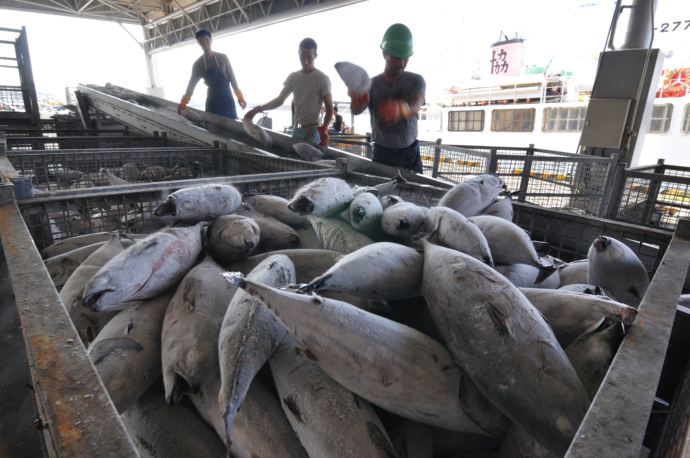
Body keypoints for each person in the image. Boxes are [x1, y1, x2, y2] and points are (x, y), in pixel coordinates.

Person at [350, 23, 426, 173]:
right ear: (384, 54)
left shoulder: (416, 80)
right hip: (382, 154)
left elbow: (416, 103)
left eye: (405, 58)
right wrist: (356, 98)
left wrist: (400, 110)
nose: (402, 63)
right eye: (397, 58)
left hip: (410, 155)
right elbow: (357, 110)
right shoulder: (371, 84)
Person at [244, 38, 333, 146]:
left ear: (315, 56)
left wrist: (324, 129)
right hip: (296, 130)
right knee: (293, 161)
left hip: (313, 132)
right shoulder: (293, 77)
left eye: (309, 58)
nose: (305, 61)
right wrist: (257, 110)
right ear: (298, 54)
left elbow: (329, 108)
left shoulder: (322, 79)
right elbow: (279, 100)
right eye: (302, 57)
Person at [177, 29, 247, 119]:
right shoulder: (198, 64)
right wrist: (183, 103)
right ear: (199, 44)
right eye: (202, 42)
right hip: (212, 101)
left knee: (232, 125)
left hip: (227, 100)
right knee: (212, 126)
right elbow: (191, 85)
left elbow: (232, 78)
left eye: (207, 41)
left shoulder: (223, 57)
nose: (205, 45)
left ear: (211, 41)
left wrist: (240, 97)